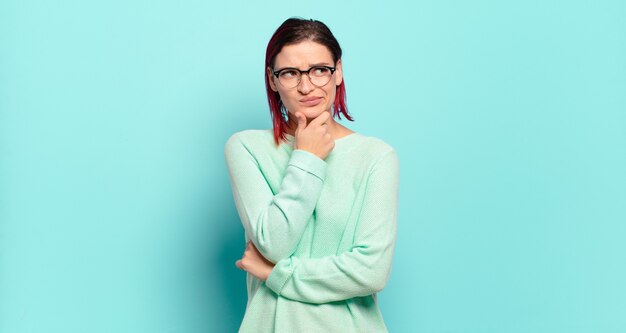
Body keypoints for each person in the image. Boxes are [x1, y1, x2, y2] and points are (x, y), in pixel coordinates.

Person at [224, 17, 399, 333]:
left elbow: (372, 271)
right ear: (273, 80)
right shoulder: (246, 148)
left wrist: (277, 274)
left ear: (338, 72)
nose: (307, 86)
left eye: (320, 70)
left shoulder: (376, 157)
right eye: (290, 73)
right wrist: (307, 156)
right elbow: (273, 244)